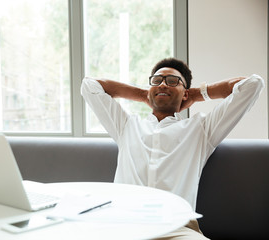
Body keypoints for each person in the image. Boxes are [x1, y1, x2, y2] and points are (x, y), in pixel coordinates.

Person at [80, 58, 265, 240]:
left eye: (172, 81)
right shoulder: (126, 125)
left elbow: (252, 85)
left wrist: (197, 94)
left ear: (185, 93)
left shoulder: (202, 129)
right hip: (124, 227)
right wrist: (144, 94)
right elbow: (90, 86)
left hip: (177, 229)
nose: (162, 85)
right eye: (156, 80)